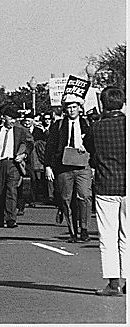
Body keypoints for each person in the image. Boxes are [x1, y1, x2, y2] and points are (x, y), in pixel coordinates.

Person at [84, 87, 126, 296]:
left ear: (103, 104)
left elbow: (89, 149)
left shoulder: (96, 128)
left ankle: (113, 283)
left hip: (107, 185)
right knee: (127, 235)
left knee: (108, 236)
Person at [45, 94, 93, 243]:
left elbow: (94, 145)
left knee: (84, 196)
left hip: (83, 165)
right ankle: (72, 230)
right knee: (66, 199)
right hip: (64, 167)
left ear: (80, 108)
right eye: (69, 108)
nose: (72, 110)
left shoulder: (87, 124)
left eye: (74, 107)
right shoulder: (58, 125)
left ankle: (84, 228)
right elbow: (50, 147)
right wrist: (48, 166)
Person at [0, 106, 33, 228]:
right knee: (0, 191)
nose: (13, 121)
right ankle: (1, 217)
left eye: (15, 119)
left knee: (11, 190)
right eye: (10, 118)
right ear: (4, 118)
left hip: (13, 163)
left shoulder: (20, 131)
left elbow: (30, 143)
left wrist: (24, 154)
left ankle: (10, 218)